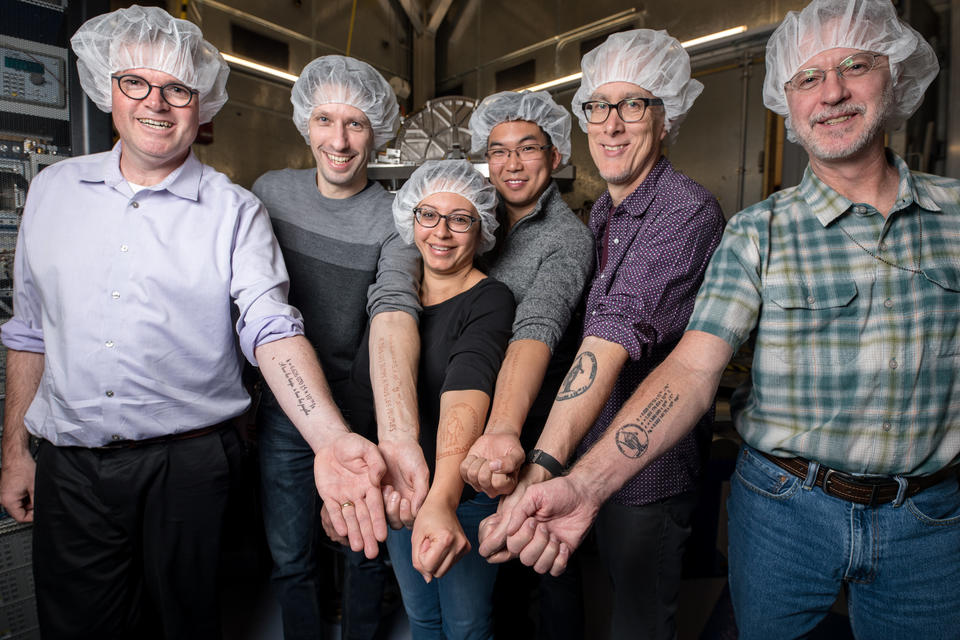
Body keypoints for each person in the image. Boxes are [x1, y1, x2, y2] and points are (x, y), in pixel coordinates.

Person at [494, 1, 960, 638]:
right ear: (787, 100)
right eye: (806, 77)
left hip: (928, 516)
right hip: (784, 507)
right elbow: (692, 366)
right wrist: (578, 480)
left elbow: (614, 337)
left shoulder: (954, 219)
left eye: (855, 65)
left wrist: (547, 466)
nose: (832, 91)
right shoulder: (748, 230)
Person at [0, 7, 389, 640]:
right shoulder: (53, 190)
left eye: (178, 88)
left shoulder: (234, 210)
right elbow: (29, 331)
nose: (157, 102)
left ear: (202, 104)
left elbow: (270, 326)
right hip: (69, 469)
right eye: (137, 82)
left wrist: (329, 439)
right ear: (108, 89)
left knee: (184, 625)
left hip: (188, 468)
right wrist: (15, 449)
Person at [478, 29, 726, 640]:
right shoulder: (604, 215)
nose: (612, 125)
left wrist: (540, 467)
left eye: (634, 105)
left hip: (648, 474)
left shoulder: (684, 210)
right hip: (585, 458)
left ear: (665, 118)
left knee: (639, 622)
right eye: (599, 106)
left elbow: (610, 337)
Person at [252, 55, 424, 640]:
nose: (340, 140)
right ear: (306, 124)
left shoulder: (395, 218)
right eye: (326, 119)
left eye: (356, 123)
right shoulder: (269, 194)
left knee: (362, 548)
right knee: (290, 553)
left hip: (361, 412)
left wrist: (395, 431)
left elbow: (394, 307)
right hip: (285, 413)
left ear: (377, 130)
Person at [348, 160, 514, 639]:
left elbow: (468, 389)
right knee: (421, 616)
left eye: (460, 219)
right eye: (428, 215)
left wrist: (441, 500)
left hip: (458, 491)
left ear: (481, 229)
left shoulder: (490, 298)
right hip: (400, 485)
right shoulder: (392, 297)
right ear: (409, 220)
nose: (441, 232)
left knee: (465, 625)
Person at [460, 90, 594, 639]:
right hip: (472, 414)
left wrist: (503, 433)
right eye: (498, 151)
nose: (511, 164)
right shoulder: (475, 222)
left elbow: (535, 328)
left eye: (528, 148)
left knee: (545, 560)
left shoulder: (566, 238)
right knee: (492, 564)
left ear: (556, 156)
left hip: (532, 425)